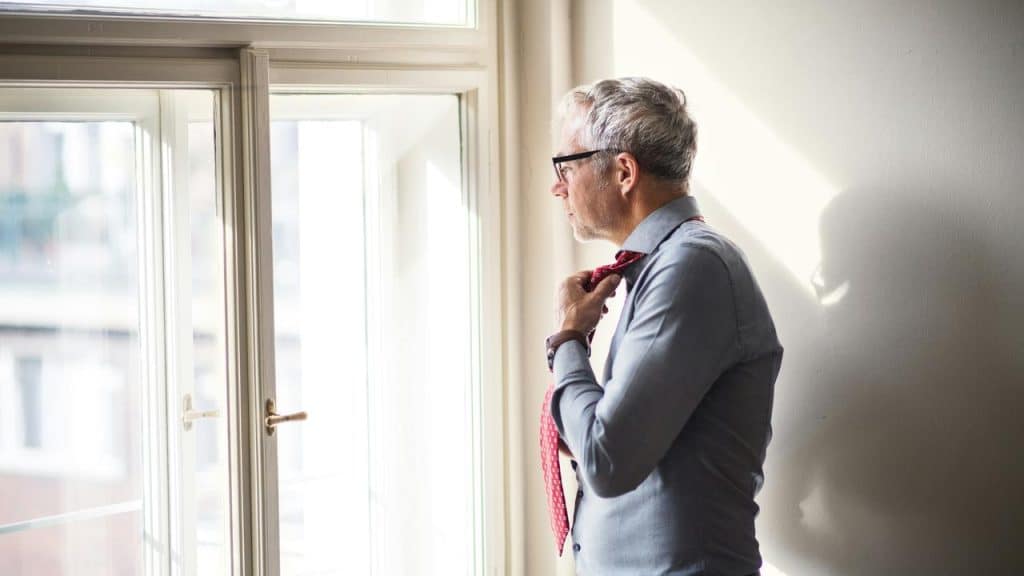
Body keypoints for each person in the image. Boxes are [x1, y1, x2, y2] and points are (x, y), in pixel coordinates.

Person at [545, 77, 783, 575]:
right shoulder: (664, 269)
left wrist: (568, 339)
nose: (557, 185)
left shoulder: (690, 269)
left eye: (567, 165)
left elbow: (606, 460)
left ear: (624, 171)